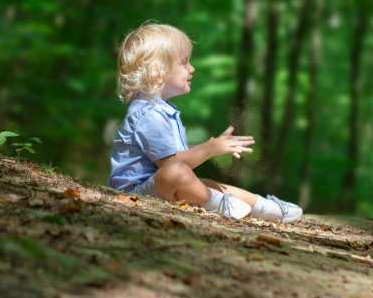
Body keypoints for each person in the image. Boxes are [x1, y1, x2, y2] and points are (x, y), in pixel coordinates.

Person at [108, 22, 303, 223]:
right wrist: (210, 149)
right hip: (137, 193)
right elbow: (172, 164)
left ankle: (265, 208)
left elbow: (174, 154)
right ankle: (222, 205)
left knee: (206, 183)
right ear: (158, 72)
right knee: (177, 172)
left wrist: (211, 146)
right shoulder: (149, 114)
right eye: (184, 63)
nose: (192, 69)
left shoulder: (161, 110)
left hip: (157, 186)